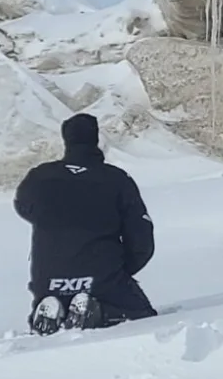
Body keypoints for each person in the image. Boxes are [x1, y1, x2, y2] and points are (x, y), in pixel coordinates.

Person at [13, 113, 157, 333]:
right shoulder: (116, 179)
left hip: (47, 276)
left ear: (66, 140)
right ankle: (97, 313)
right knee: (142, 316)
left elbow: (22, 206)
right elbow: (141, 236)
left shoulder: (39, 177)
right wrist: (123, 268)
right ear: (95, 138)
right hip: (102, 276)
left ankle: (51, 308)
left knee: (55, 293)